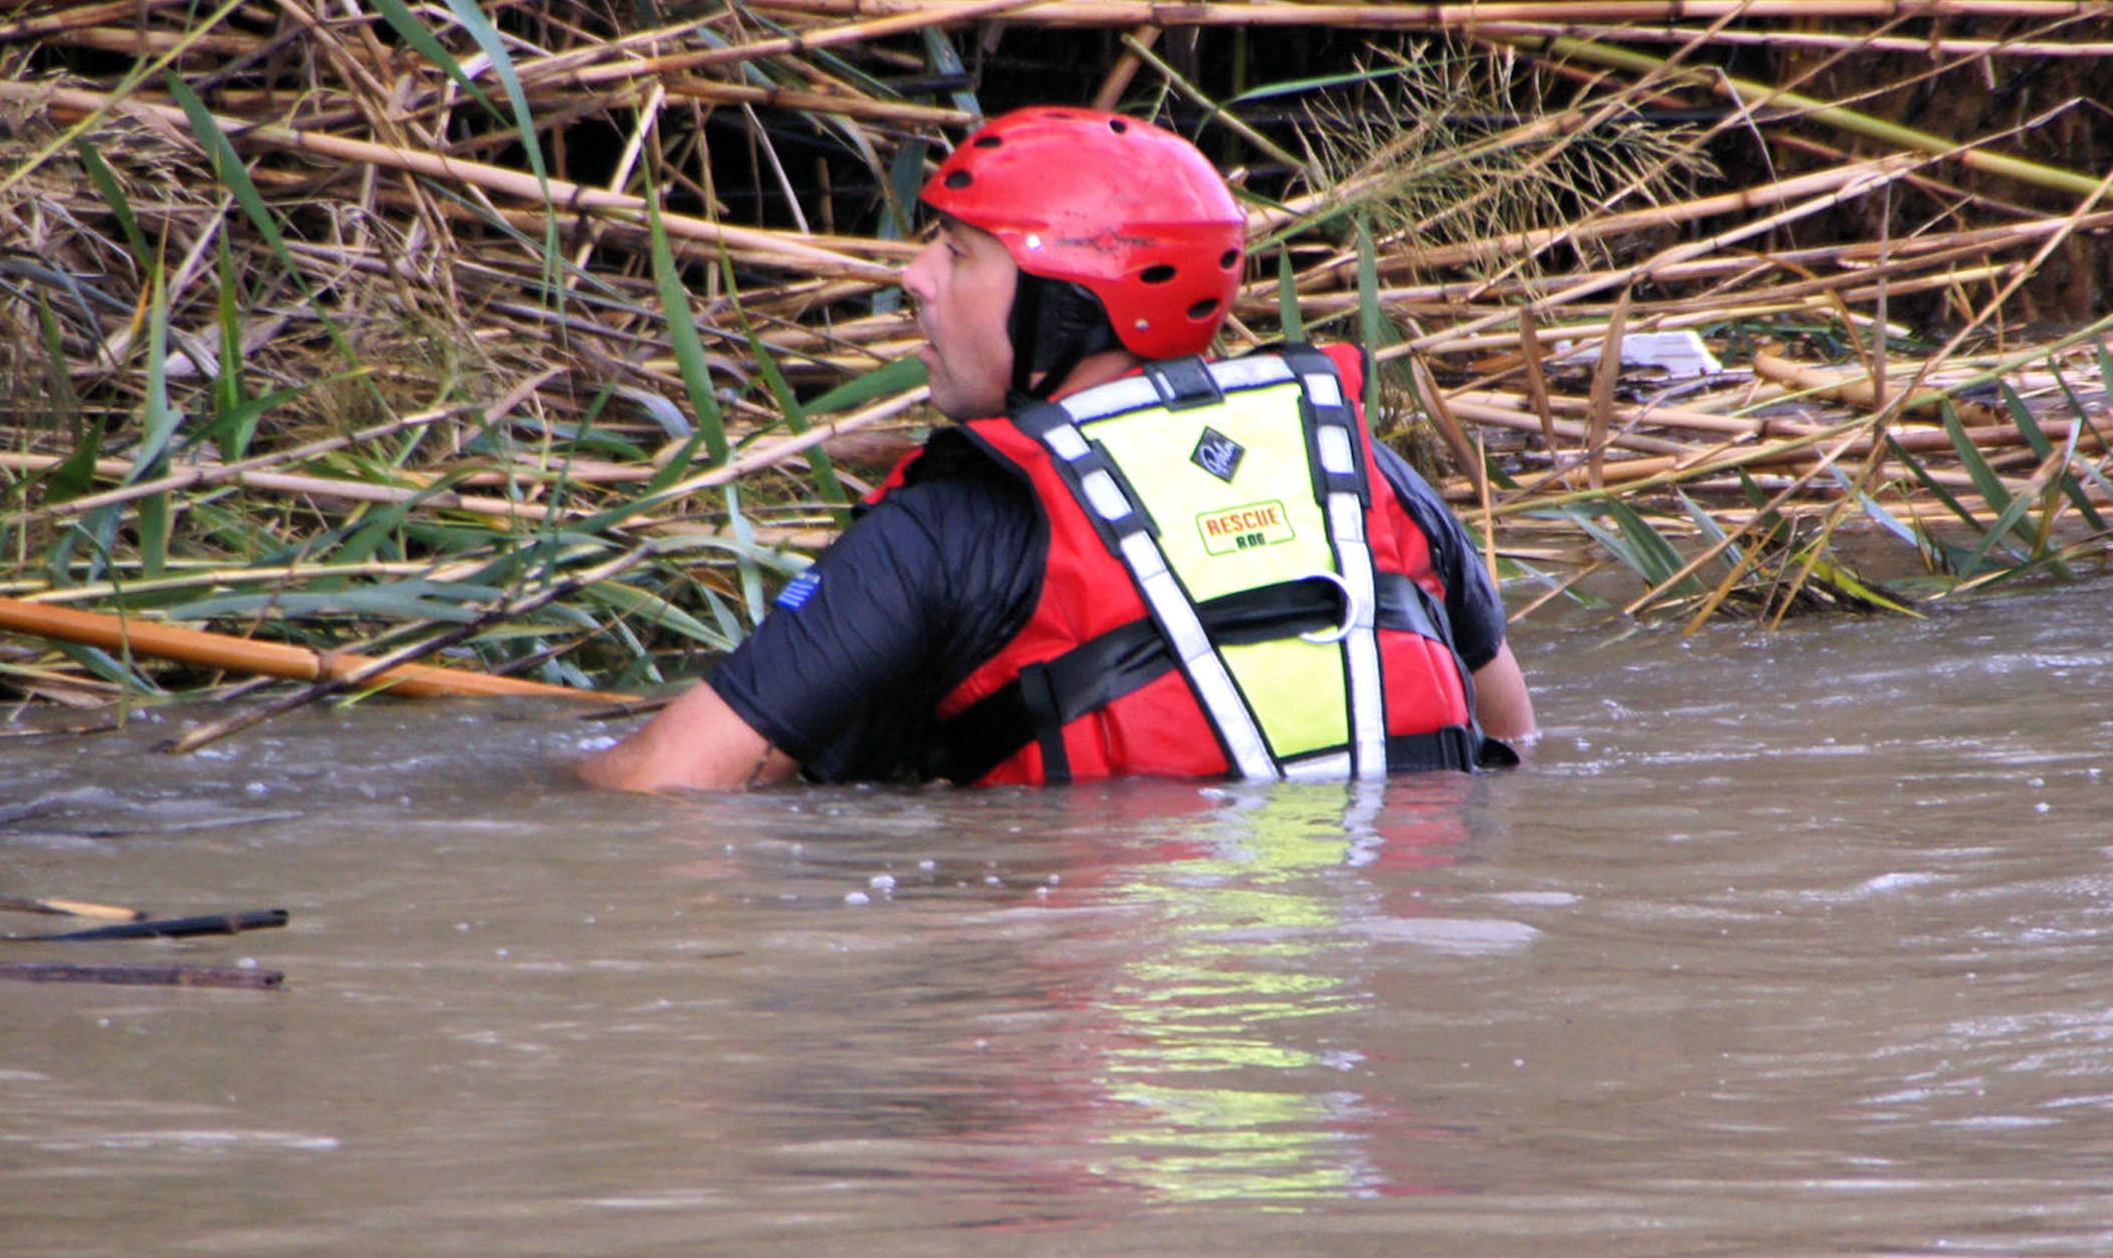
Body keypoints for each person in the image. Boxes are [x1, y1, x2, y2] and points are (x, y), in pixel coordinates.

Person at [577, 108, 1535, 791]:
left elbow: (664, 786)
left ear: (1065, 308)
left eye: (958, 253)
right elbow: (1508, 740)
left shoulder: (954, 524)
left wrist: (522, 783)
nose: (913, 277)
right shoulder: (1357, 472)